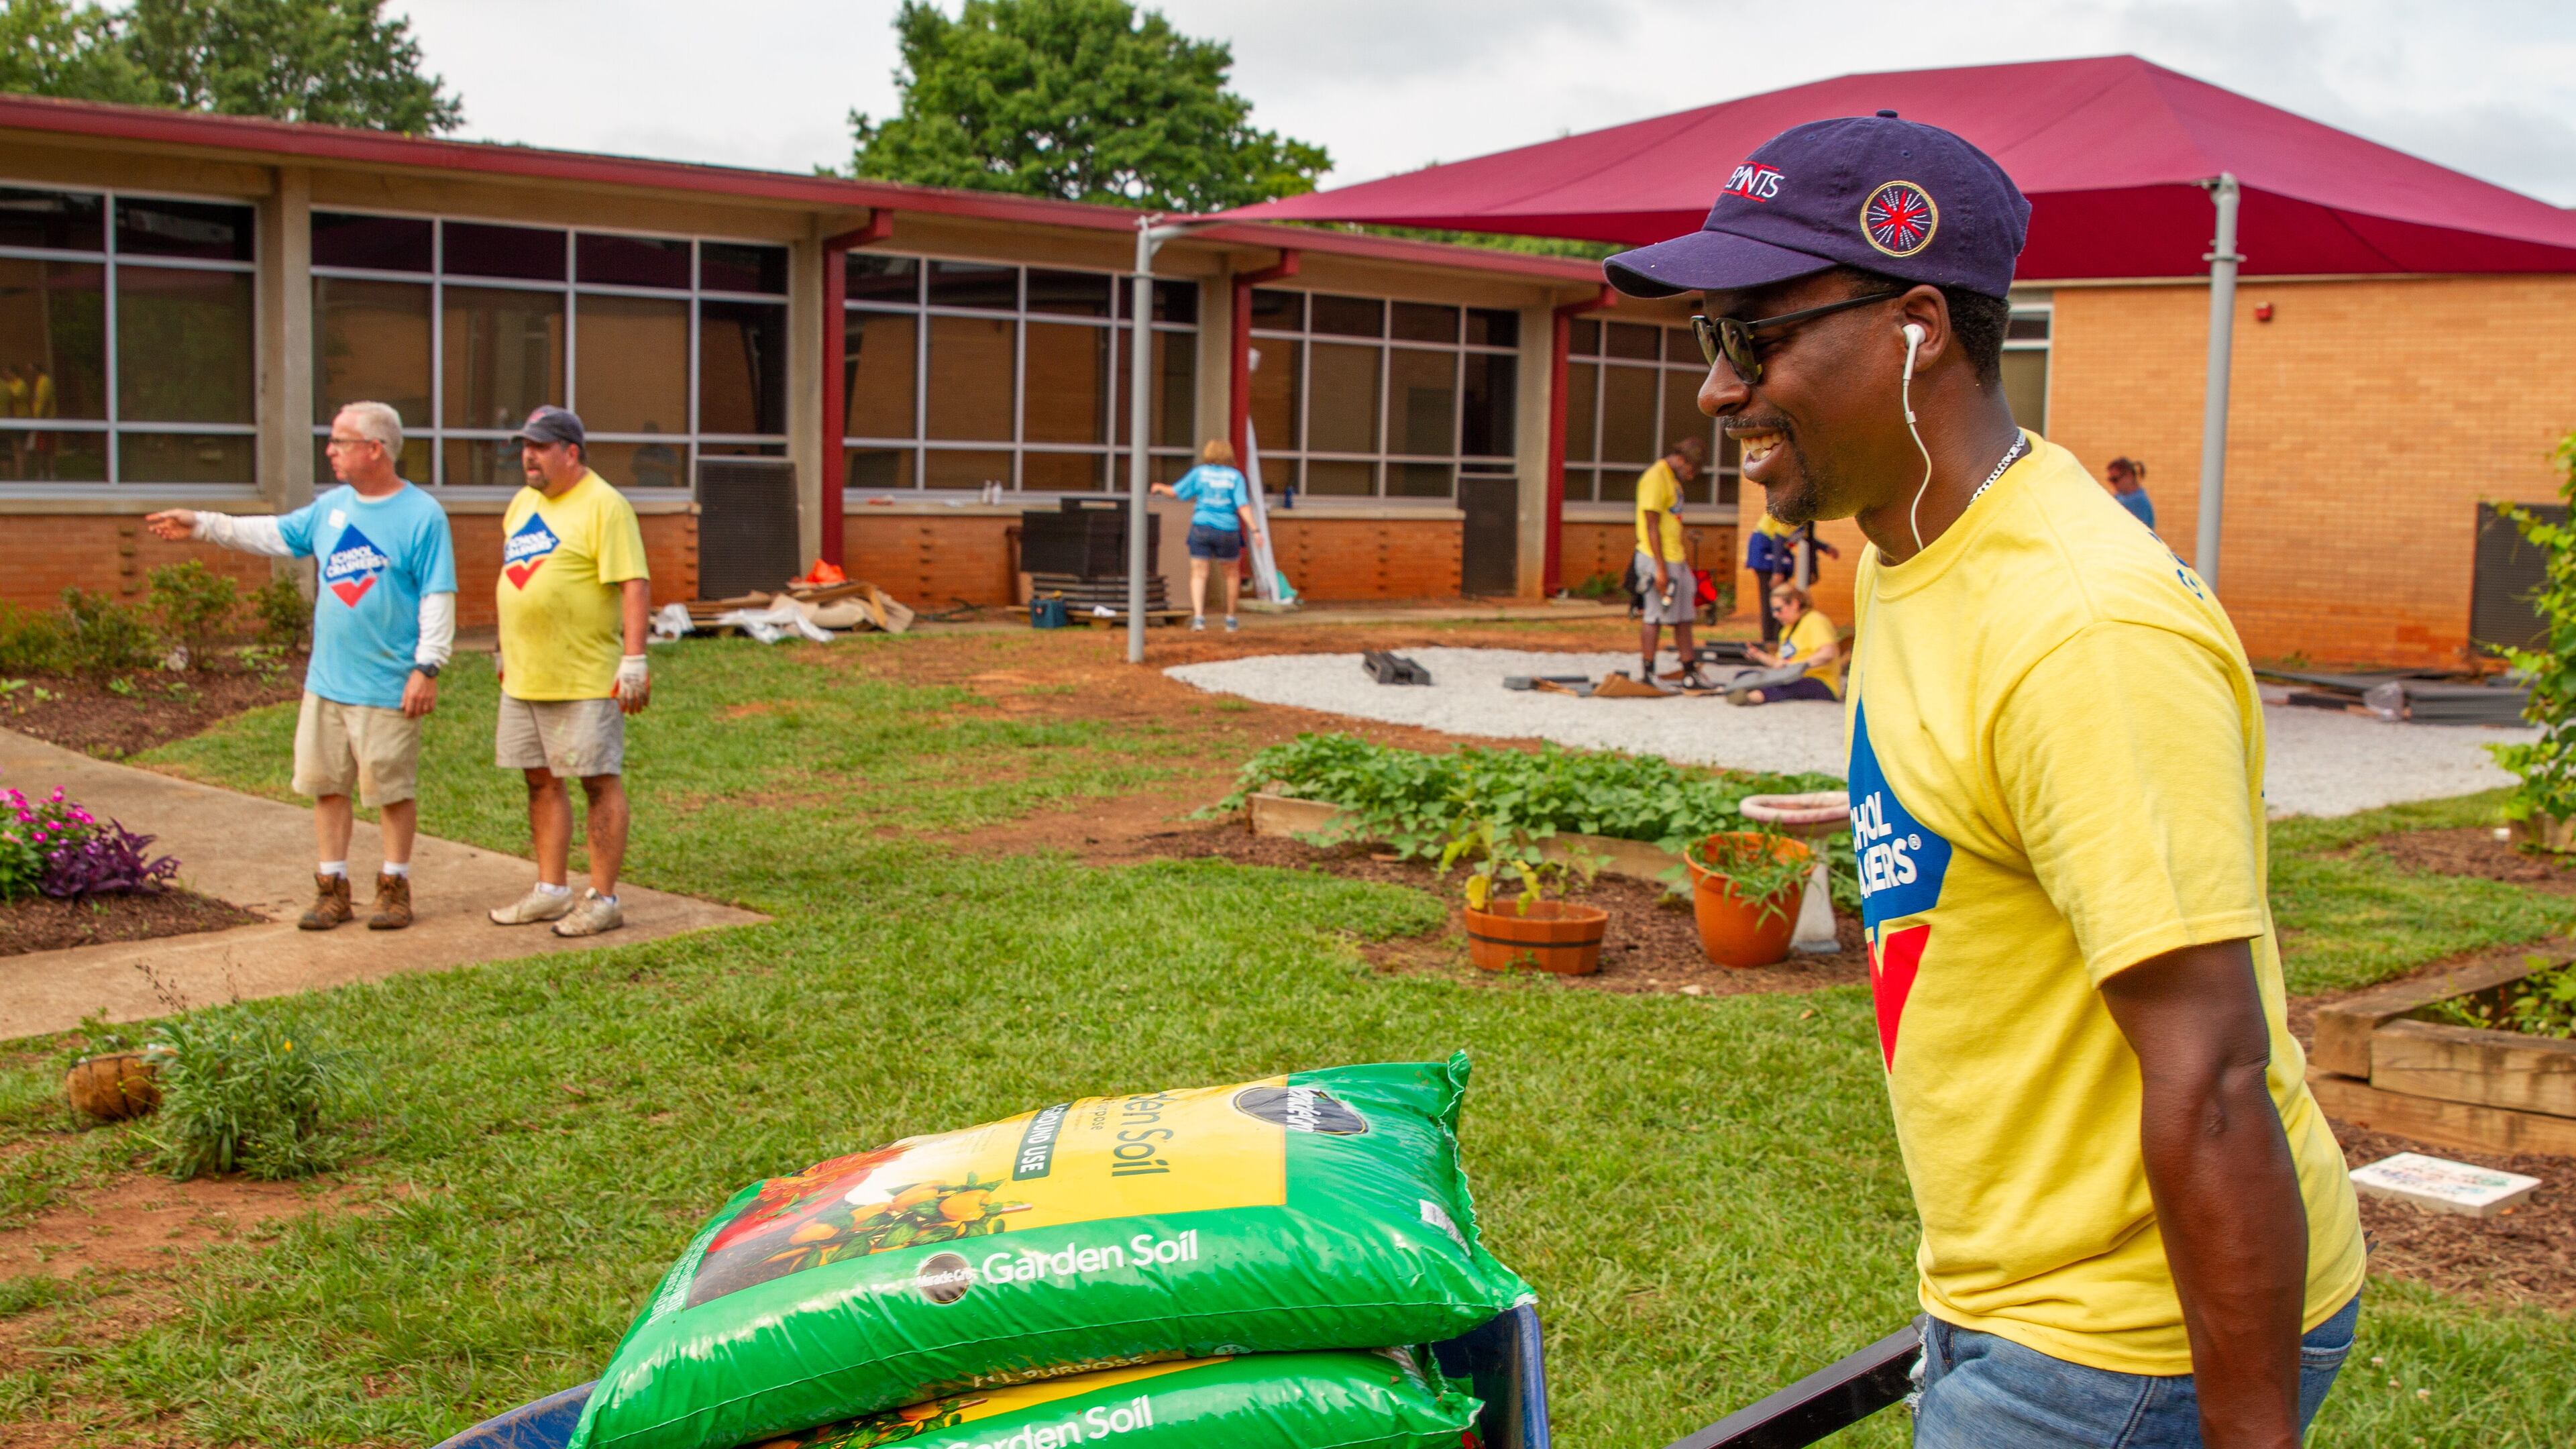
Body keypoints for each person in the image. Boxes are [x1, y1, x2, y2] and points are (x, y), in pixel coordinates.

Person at [1605, 113, 2363, 1449]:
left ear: (1917, 324)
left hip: (2125, 1344)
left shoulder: (2083, 630)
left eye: (1754, 338)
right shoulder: (1908, 555)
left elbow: (2216, 1072)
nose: (1718, 392)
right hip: (2009, 1293)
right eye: (1707, 342)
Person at [143, 401, 455, 930]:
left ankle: (393, 886)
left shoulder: (422, 515)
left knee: (390, 790)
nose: (330, 451)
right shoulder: (330, 509)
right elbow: (271, 533)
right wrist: (201, 524)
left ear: (374, 449)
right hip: (327, 684)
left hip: (386, 685)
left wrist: (428, 665)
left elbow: (437, 595)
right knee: (327, 786)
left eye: (340, 442)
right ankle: (332, 888)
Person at [488, 406, 651, 938]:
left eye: (539, 447)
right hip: (526, 674)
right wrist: (502, 644)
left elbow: (633, 583)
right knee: (539, 781)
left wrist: (634, 659)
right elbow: (516, 578)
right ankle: (551, 891)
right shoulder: (522, 504)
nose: (528, 457)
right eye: (525, 448)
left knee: (597, 781)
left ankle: (603, 899)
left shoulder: (606, 505)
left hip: (586, 675)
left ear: (571, 452)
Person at [1150, 439, 1261, 631]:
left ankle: (1199, 618)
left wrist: (1159, 487)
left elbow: (1175, 492)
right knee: (1232, 574)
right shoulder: (1236, 477)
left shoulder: (1199, 473)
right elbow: (1242, 505)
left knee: (1199, 574)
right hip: (1228, 529)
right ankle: (1231, 619)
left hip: (1201, 527)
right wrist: (1255, 530)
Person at [1633, 436, 1709, 688]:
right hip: (1657, 558)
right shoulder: (1656, 477)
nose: (1691, 475)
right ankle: (1648, 672)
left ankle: (1689, 671)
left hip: (1675, 558)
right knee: (1654, 615)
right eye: (1691, 469)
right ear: (1681, 459)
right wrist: (1660, 569)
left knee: (1685, 614)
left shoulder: (1672, 479)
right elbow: (1651, 525)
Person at [1729, 584, 1841, 704]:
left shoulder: (1815, 621)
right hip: (1791, 677)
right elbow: (1781, 664)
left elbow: (1828, 653)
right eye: (1773, 610)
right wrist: (1759, 655)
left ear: (1794, 604)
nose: (1775, 615)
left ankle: (1753, 697)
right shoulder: (1786, 630)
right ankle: (1746, 692)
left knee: (1788, 686)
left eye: (1779, 609)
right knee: (1745, 676)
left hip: (1820, 682)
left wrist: (1795, 666)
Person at [2108, 455, 2156, 530]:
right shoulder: (2119, 497)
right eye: (2111, 480)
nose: (2113, 484)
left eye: (2115, 479)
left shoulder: (2139, 502)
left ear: (2129, 475)